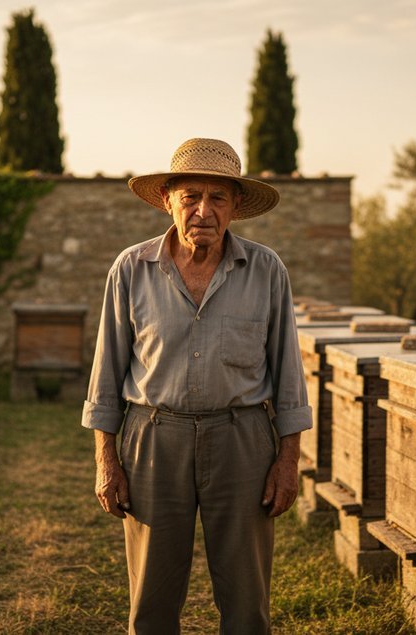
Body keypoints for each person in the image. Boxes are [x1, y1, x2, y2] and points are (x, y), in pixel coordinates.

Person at [82, 137, 311, 633]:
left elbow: (289, 375)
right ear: (168, 200)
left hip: (242, 439)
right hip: (152, 438)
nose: (203, 210)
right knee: (152, 599)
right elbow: (106, 374)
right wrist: (106, 460)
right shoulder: (131, 269)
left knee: (247, 600)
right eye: (191, 196)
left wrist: (288, 460)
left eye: (218, 197)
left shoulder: (267, 270)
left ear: (235, 207)